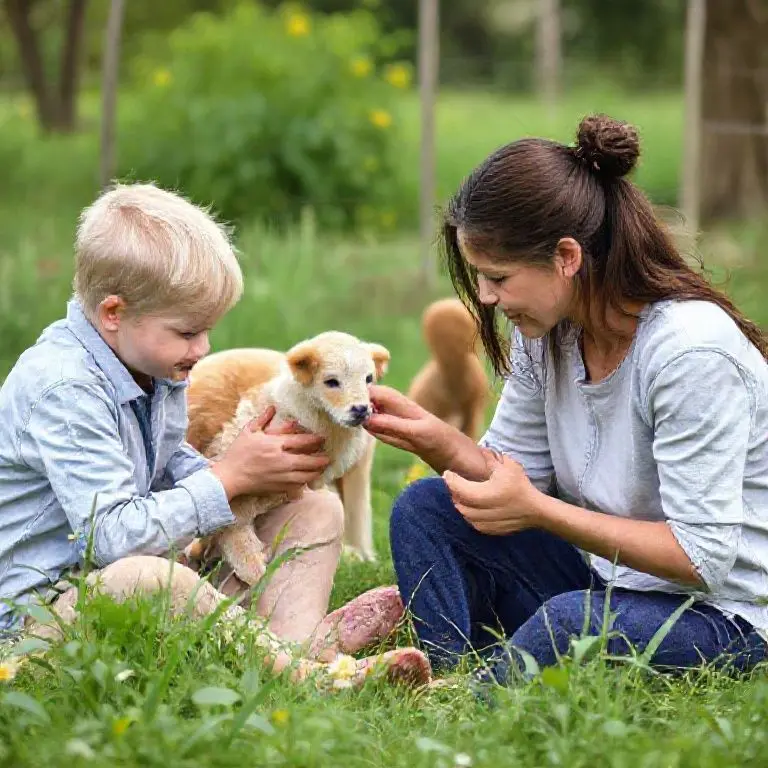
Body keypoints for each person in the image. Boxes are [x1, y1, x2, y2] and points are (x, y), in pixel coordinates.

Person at [364, 114, 768, 683]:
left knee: (573, 623)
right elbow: (511, 477)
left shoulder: (691, 353)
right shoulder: (548, 333)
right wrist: (436, 437)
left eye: (498, 278)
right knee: (425, 507)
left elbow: (699, 557)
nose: (484, 297)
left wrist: (539, 511)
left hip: (724, 616)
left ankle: (481, 691)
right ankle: (441, 673)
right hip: (609, 582)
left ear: (567, 258)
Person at [0, 182, 430, 689]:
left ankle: (290, 649)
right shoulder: (64, 389)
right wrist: (227, 477)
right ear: (114, 313)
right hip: (39, 622)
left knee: (315, 508)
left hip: (136, 570)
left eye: (207, 331)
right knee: (150, 580)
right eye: (187, 332)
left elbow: (163, 460)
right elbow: (111, 537)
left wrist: (249, 470)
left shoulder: (148, 362)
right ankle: (308, 675)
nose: (202, 348)